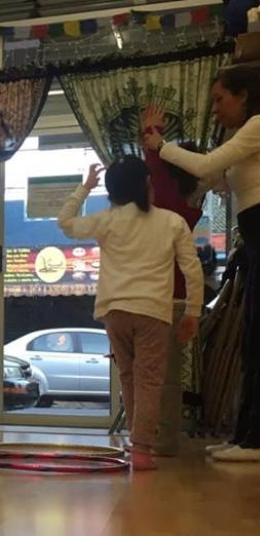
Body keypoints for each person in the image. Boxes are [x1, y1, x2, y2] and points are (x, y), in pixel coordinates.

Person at [143, 64, 260, 462]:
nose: (216, 109)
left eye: (220, 99)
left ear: (244, 96)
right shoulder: (244, 135)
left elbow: (206, 167)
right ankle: (246, 437)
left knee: (257, 338)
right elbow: (208, 175)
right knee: (251, 339)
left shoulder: (257, 124)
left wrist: (158, 144)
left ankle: (254, 441)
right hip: (253, 240)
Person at [58, 159, 203, 470]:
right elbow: (192, 268)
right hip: (152, 312)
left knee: (129, 376)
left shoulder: (106, 221)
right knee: (149, 380)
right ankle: (142, 447)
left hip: (114, 311)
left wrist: (84, 188)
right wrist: (192, 311)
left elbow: (66, 222)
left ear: (112, 191)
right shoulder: (171, 221)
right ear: (147, 184)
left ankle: (138, 441)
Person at [141, 105, 212, 456]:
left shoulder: (166, 202)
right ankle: (162, 438)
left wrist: (152, 134)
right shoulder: (190, 198)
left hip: (160, 299)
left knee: (154, 376)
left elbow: (156, 168)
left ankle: (159, 440)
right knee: (168, 377)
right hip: (179, 297)